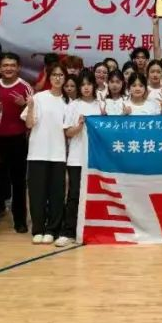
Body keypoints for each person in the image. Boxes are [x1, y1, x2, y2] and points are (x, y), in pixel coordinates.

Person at [24, 65, 69, 244]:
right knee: (37, 194)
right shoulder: (39, 97)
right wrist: (30, 107)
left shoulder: (69, 101)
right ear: (49, 78)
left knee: (57, 194)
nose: (58, 78)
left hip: (58, 154)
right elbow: (29, 124)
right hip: (37, 153)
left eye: (61, 75)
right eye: (54, 75)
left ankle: (52, 229)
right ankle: (38, 229)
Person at [0, 52, 33, 234]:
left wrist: (24, 104)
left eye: (12, 65)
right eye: (5, 65)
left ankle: (20, 220)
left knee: (18, 182)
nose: (8, 68)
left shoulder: (25, 87)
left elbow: (34, 113)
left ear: (18, 68)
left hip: (18, 140)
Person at [62, 70, 99, 246]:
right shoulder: (73, 106)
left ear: (94, 86)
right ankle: (68, 231)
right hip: (76, 157)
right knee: (74, 194)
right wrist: (79, 126)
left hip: (96, 158)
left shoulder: (101, 105)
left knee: (95, 195)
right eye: (82, 84)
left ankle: (94, 231)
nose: (86, 88)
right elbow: (68, 133)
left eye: (89, 84)